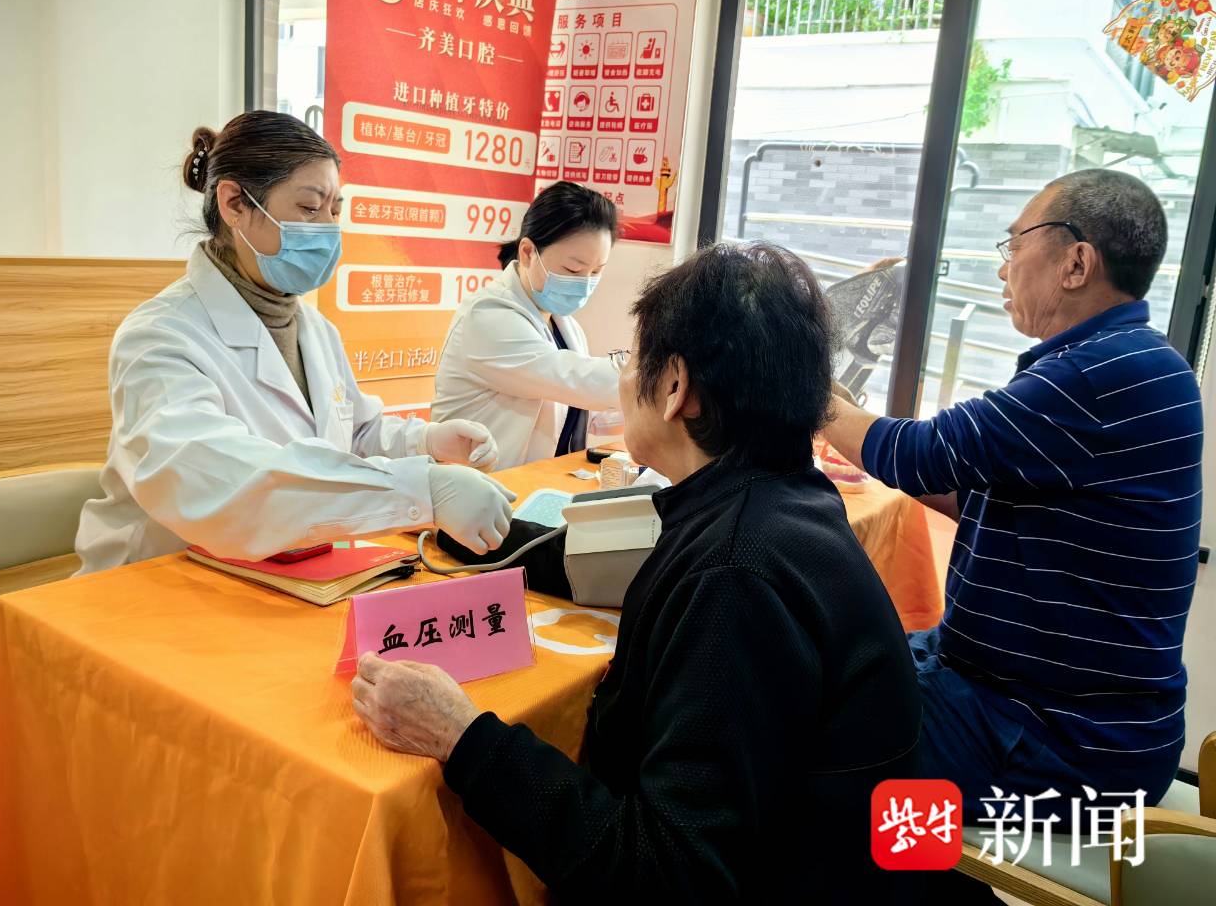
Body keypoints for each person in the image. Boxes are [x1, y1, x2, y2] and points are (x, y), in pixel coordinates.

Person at [353, 243, 924, 903]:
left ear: (676, 387)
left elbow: (665, 876)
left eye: (630, 359)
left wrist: (460, 736)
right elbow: (637, 564)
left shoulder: (735, 576)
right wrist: (477, 535)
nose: (624, 378)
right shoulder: (779, 500)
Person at [823, 170, 1201, 834]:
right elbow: (973, 493)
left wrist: (803, 394)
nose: (1004, 267)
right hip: (1018, 697)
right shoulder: (1125, 361)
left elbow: (917, 453)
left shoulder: (1097, 374)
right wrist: (844, 415)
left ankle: (897, 867)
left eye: (1016, 243)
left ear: (1076, 263)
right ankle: (919, 873)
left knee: (801, 727)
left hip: (1059, 739)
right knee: (832, 660)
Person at [76, 111, 515, 572]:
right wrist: (419, 490)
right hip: (155, 580)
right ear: (234, 204)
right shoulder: (160, 336)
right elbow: (218, 482)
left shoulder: (314, 329)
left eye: (334, 210)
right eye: (309, 208)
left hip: (280, 574)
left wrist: (424, 441)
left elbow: (351, 435)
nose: (327, 228)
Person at [433, 181, 621, 470]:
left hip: (540, 482)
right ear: (528, 252)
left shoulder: (565, 326)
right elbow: (573, 379)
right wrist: (655, 377)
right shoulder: (487, 317)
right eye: (573, 269)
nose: (584, 282)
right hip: (480, 485)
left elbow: (585, 405)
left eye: (596, 271)